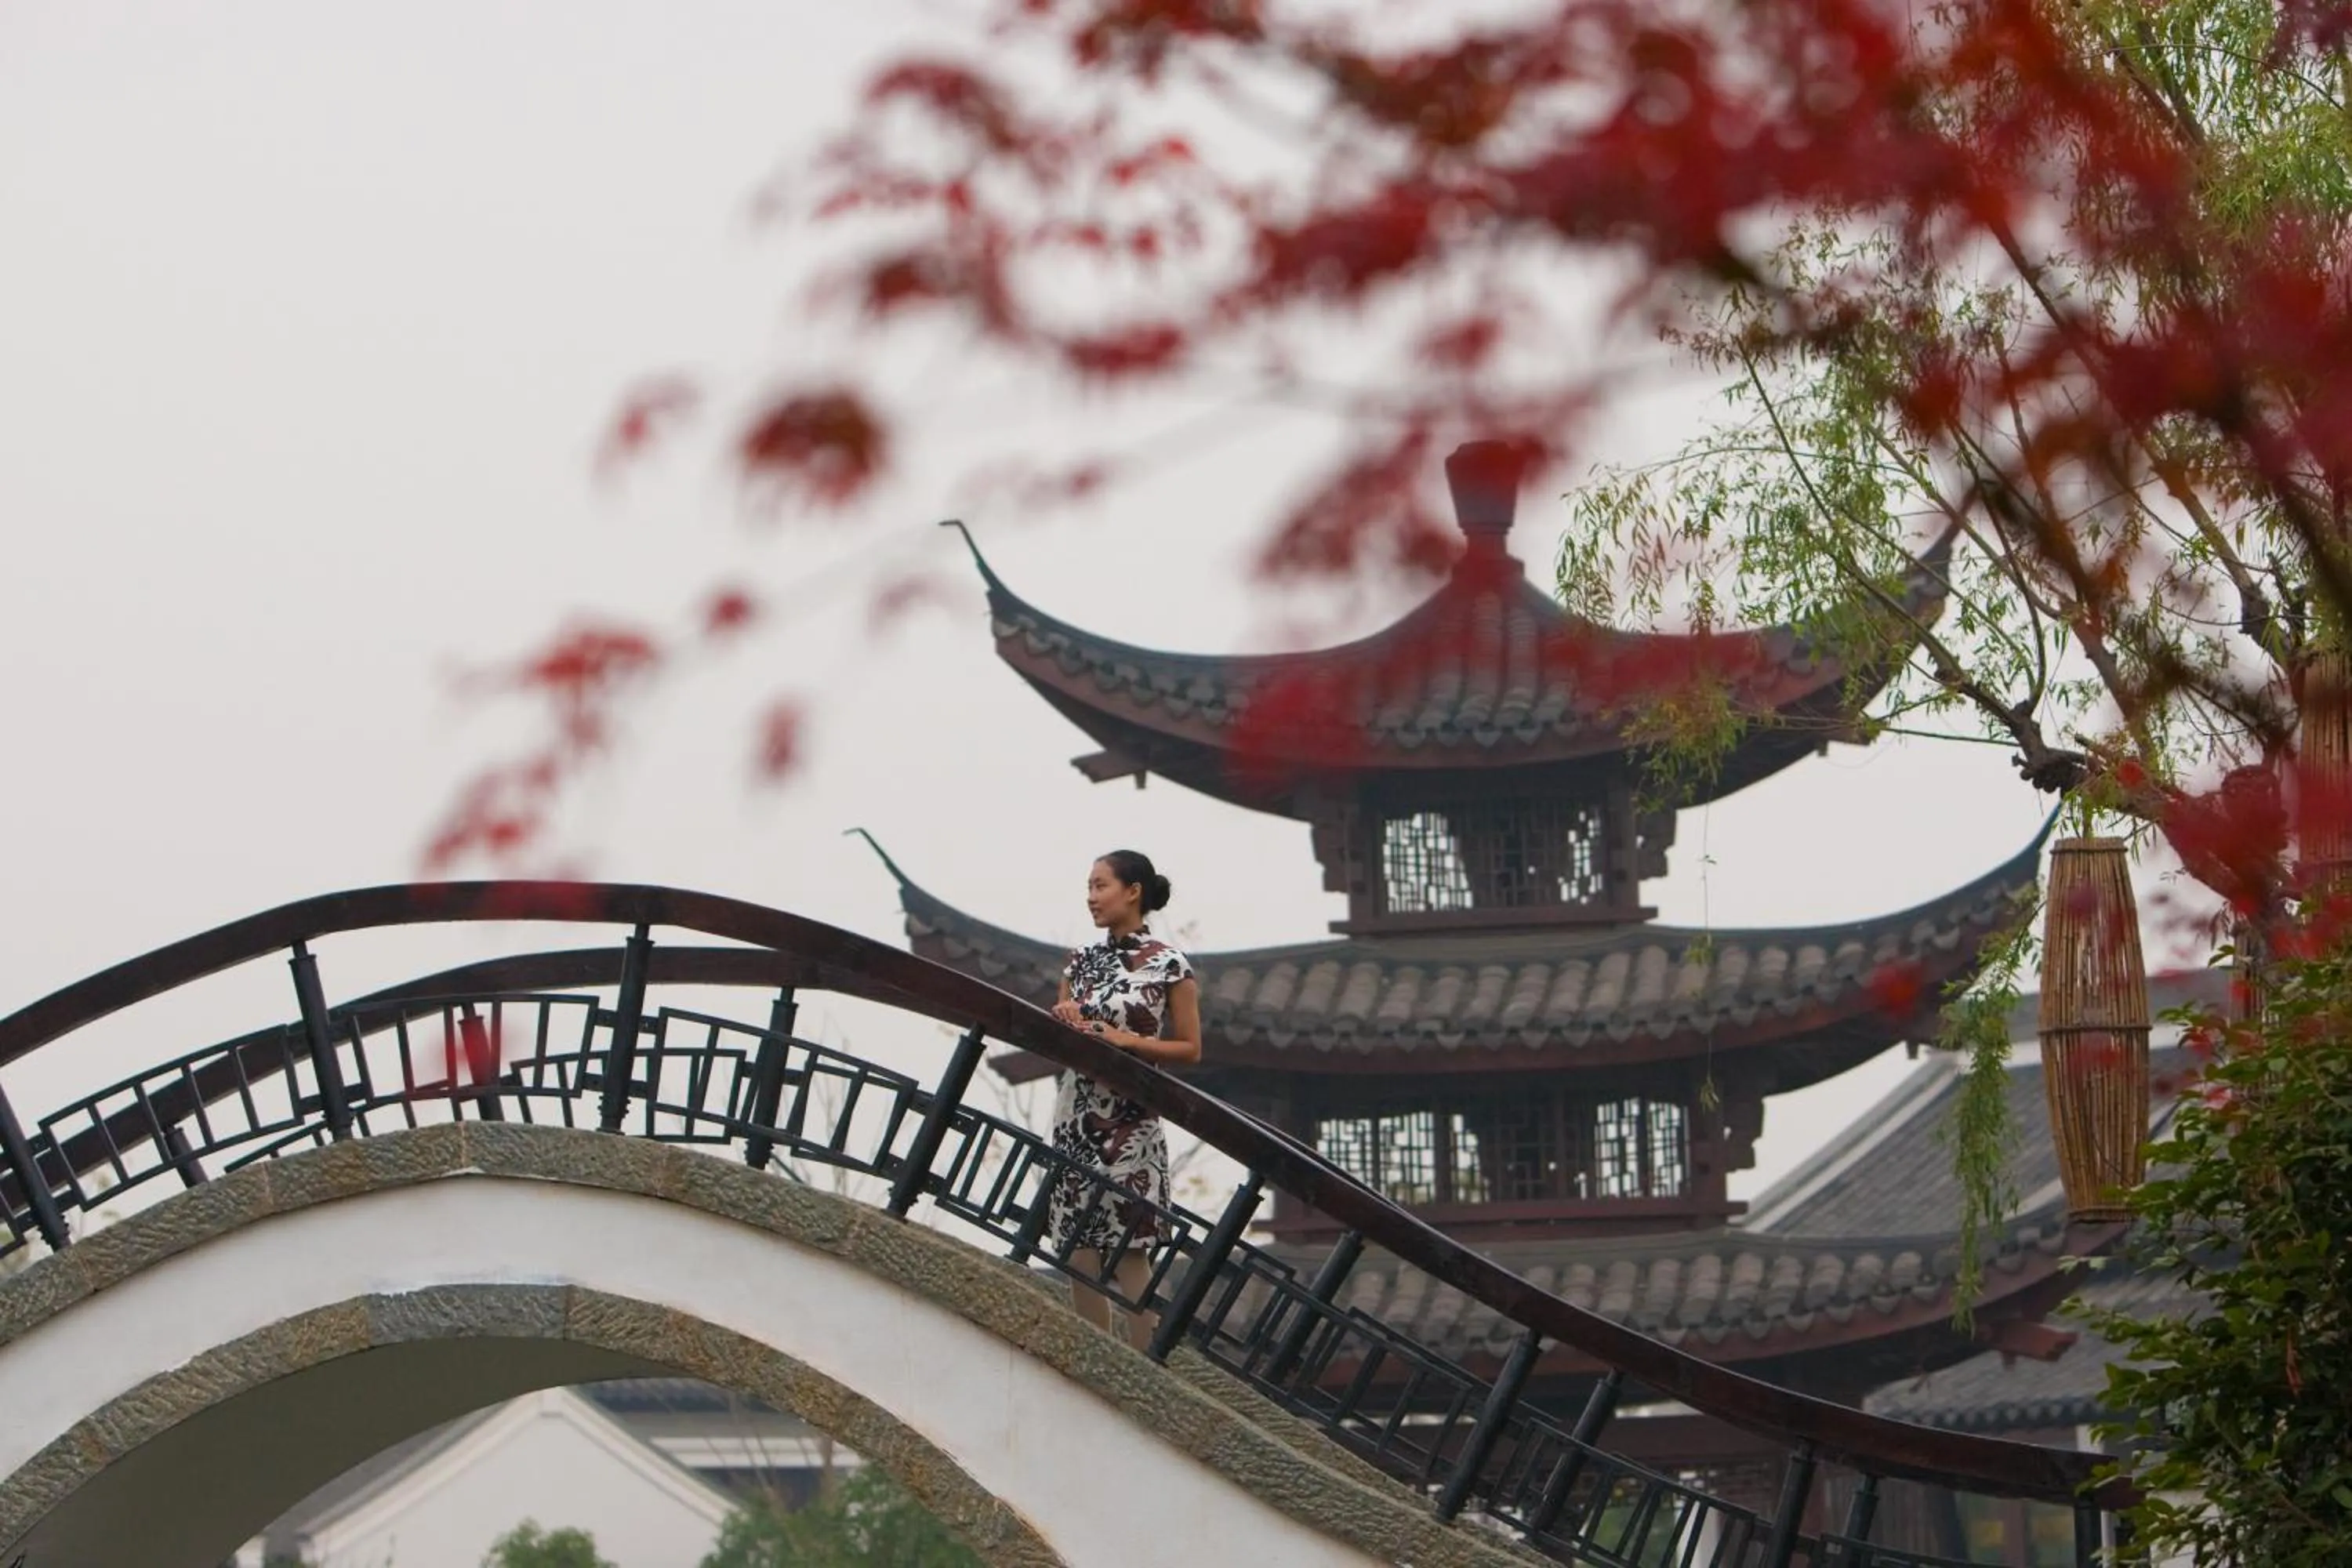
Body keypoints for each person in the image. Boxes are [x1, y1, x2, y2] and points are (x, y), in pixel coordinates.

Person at [1046, 848, 1203, 1350]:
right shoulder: (1080, 961)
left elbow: (1190, 1048)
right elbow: (1058, 1034)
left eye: (1101, 886)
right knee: (1077, 1246)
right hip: (1076, 1112)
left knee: (1131, 1246)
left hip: (1131, 1120)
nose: (1091, 897)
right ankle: (1097, 1364)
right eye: (1089, 887)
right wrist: (1065, 1018)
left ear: (1133, 892)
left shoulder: (1168, 964)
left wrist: (1128, 1041)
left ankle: (1144, 1367)